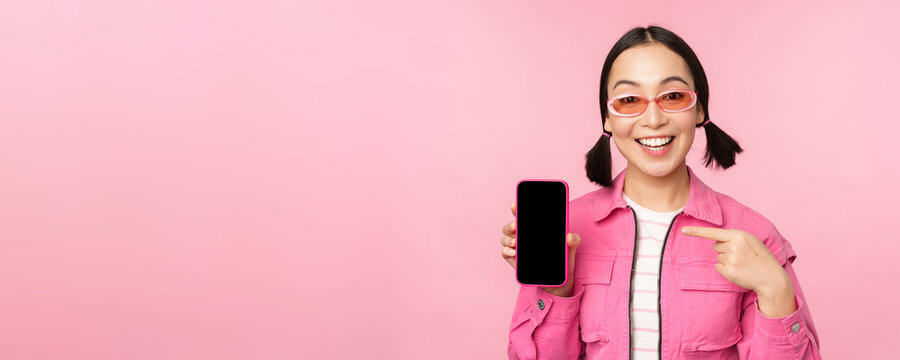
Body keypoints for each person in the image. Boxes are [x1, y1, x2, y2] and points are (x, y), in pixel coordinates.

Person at [499, 25, 821, 359]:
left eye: (673, 97)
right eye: (629, 100)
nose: (653, 119)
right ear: (608, 118)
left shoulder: (754, 235)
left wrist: (776, 292)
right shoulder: (567, 231)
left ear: (699, 109)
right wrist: (556, 290)